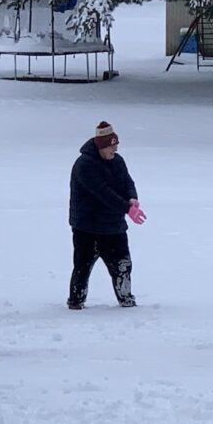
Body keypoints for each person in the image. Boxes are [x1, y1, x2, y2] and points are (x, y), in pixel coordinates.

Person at [68, 121, 142, 310]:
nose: (115, 150)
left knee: (123, 266)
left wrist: (132, 198)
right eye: (112, 146)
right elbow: (103, 192)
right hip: (87, 228)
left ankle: (126, 298)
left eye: (116, 146)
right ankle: (76, 301)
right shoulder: (84, 165)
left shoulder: (118, 161)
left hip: (114, 226)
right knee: (82, 267)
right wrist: (127, 208)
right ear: (101, 146)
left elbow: (127, 182)